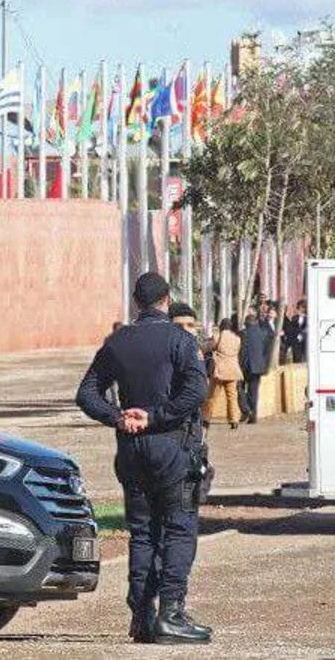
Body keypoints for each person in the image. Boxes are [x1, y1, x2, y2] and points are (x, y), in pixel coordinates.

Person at [76, 272, 211, 645]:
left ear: (137, 302)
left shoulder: (117, 342)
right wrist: (156, 416)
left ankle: (141, 615)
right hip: (171, 446)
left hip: (131, 450)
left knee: (142, 533)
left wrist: (117, 416)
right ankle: (171, 613)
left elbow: (86, 394)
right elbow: (196, 392)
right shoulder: (180, 340)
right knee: (179, 528)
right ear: (167, 300)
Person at [206, 318, 243, 431]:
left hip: (220, 370)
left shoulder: (217, 336)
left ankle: (206, 418)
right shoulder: (237, 338)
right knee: (232, 396)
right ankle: (234, 420)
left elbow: (210, 347)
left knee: (212, 396)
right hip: (233, 370)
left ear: (221, 326)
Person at [239, 310, 272, 424]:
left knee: (239, 388)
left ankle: (246, 409)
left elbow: (242, 352)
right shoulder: (263, 333)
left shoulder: (243, 333)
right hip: (258, 367)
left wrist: (240, 365)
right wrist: (265, 366)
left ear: (246, 323)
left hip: (245, 366)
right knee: (254, 392)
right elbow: (267, 352)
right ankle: (253, 415)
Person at [286, 299, 308, 364]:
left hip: (305, 340)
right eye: (299, 307)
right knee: (297, 358)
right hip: (296, 340)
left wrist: (302, 335)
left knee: (306, 358)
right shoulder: (294, 317)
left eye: (302, 307)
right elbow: (293, 328)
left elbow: (307, 328)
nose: (300, 309)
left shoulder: (308, 317)